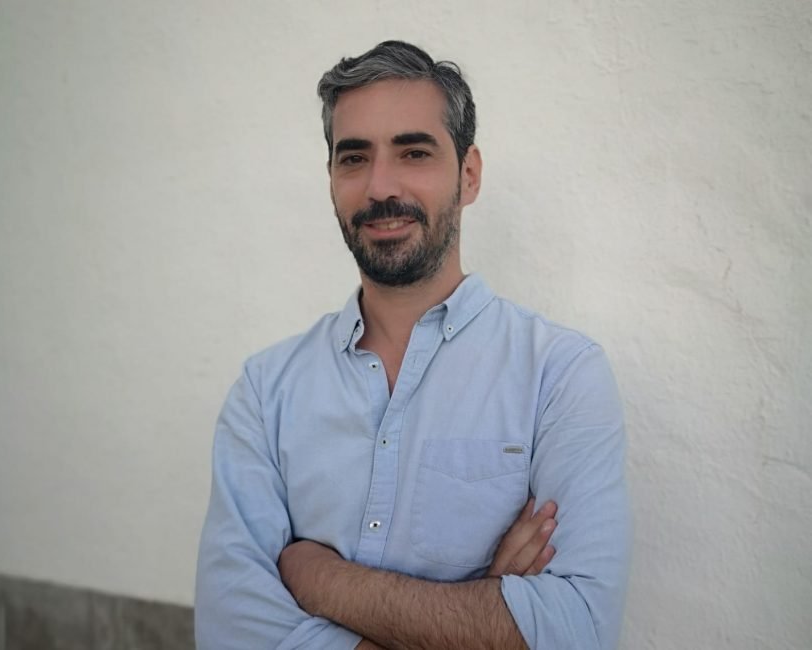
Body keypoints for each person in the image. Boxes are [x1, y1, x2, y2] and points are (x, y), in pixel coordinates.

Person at [195, 40, 630, 650]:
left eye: (414, 152)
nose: (380, 186)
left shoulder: (560, 375)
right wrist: (484, 611)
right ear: (331, 180)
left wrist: (318, 577)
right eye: (354, 158)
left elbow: (578, 628)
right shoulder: (265, 393)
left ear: (468, 175)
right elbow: (228, 631)